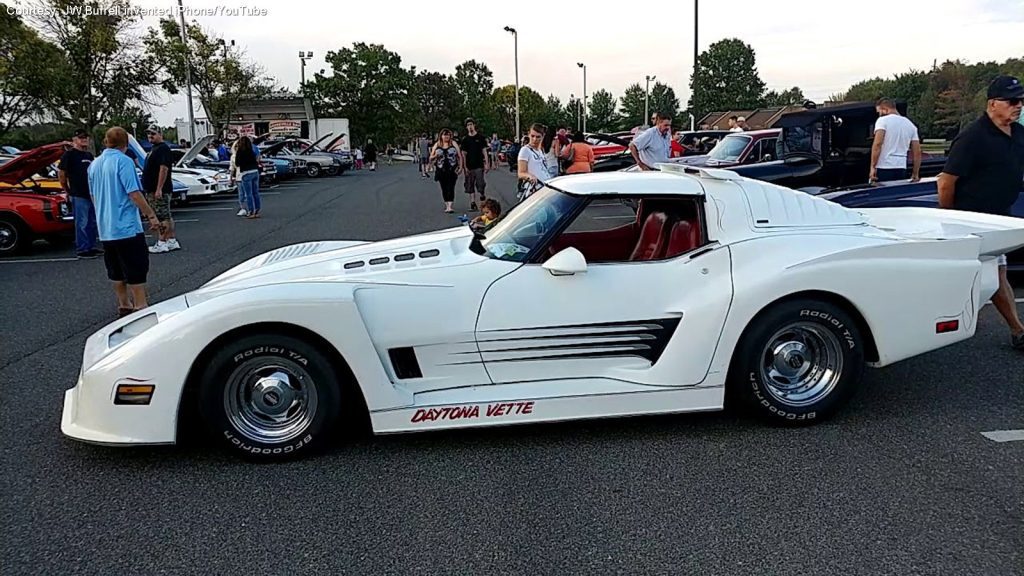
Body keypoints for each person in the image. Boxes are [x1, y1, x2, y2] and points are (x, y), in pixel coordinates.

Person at [937, 74, 1024, 351]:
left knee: (996, 272)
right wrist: (950, 217)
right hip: (971, 218)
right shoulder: (973, 138)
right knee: (994, 274)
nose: (1018, 105)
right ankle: (1018, 331)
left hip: (1001, 216)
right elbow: (945, 182)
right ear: (992, 103)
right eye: (1011, 101)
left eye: (1021, 100)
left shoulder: (1019, 134)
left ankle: (1005, 326)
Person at [87, 127, 161, 318]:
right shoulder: (124, 161)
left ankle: (123, 303)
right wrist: (150, 214)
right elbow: (134, 193)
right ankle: (140, 304)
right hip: (126, 226)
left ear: (105, 142)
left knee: (115, 268)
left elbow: (93, 196)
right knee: (136, 266)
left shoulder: (94, 165)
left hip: (106, 227)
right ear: (126, 144)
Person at [58, 128, 101, 258]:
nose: (84, 140)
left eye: (86, 137)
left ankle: (91, 246)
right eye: (81, 138)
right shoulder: (69, 155)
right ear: (74, 140)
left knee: (92, 222)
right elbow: (61, 173)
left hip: (91, 194)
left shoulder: (88, 155)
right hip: (78, 194)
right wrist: (67, 189)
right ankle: (82, 249)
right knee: (82, 222)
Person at [141, 125, 179, 253]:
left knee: (162, 216)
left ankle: (162, 241)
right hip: (153, 188)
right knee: (166, 215)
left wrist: (159, 188)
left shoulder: (162, 149)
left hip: (158, 189)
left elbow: (164, 168)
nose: (150, 136)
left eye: (153, 133)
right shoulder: (154, 149)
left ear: (160, 134)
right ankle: (171, 240)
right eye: (148, 134)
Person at [870, 97, 921, 183]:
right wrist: (915, 173)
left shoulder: (882, 121)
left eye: (879, 112)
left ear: (885, 109)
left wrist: (873, 167)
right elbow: (917, 152)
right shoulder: (910, 125)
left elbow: (878, 144)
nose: (879, 114)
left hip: (884, 167)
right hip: (901, 167)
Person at [460, 118, 490, 211]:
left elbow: (484, 150)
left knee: (480, 183)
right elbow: (463, 154)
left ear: (474, 125)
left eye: (471, 125)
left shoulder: (480, 138)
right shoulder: (465, 140)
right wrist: (464, 166)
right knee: (470, 184)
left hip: (479, 164)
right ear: (466, 127)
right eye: (468, 125)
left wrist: (487, 163)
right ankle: (472, 203)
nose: (470, 127)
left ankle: (482, 195)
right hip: (469, 165)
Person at [430, 128, 461, 213]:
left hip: (452, 169)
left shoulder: (453, 144)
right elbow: (431, 157)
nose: (446, 136)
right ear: (441, 136)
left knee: (451, 187)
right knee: (444, 187)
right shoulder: (437, 145)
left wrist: (461, 167)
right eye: (444, 135)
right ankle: (447, 205)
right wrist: (435, 155)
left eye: (448, 135)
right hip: (441, 169)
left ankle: (450, 206)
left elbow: (459, 156)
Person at [232, 135, 262, 219]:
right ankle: (257, 210)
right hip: (255, 171)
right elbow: (257, 159)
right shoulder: (251, 151)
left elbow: (237, 163)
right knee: (255, 192)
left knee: (248, 194)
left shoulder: (240, 151)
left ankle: (251, 211)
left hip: (246, 173)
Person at [517, 123, 550, 199]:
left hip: (544, 188)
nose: (535, 139)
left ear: (543, 136)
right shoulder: (525, 150)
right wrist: (530, 177)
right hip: (533, 189)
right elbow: (521, 173)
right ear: (529, 134)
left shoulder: (541, 150)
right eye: (532, 136)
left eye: (538, 137)